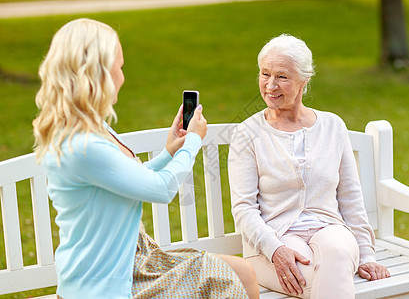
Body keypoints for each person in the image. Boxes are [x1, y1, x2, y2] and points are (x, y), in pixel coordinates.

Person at [32, 18, 258, 299]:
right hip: (104, 288)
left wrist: (170, 152)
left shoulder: (94, 129)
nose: (123, 77)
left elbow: (131, 179)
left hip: (133, 264)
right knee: (222, 280)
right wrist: (194, 140)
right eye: (120, 67)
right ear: (99, 72)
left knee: (243, 272)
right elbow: (160, 189)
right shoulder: (83, 146)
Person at [228, 34, 390, 298]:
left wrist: (366, 256)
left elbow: (350, 196)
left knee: (336, 254)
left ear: (304, 80)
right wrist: (275, 249)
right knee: (312, 278)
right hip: (275, 238)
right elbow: (244, 208)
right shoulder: (247, 134)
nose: (270, 85)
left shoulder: (332, 126)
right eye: (265, 74)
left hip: (330, 228)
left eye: (282, 76)